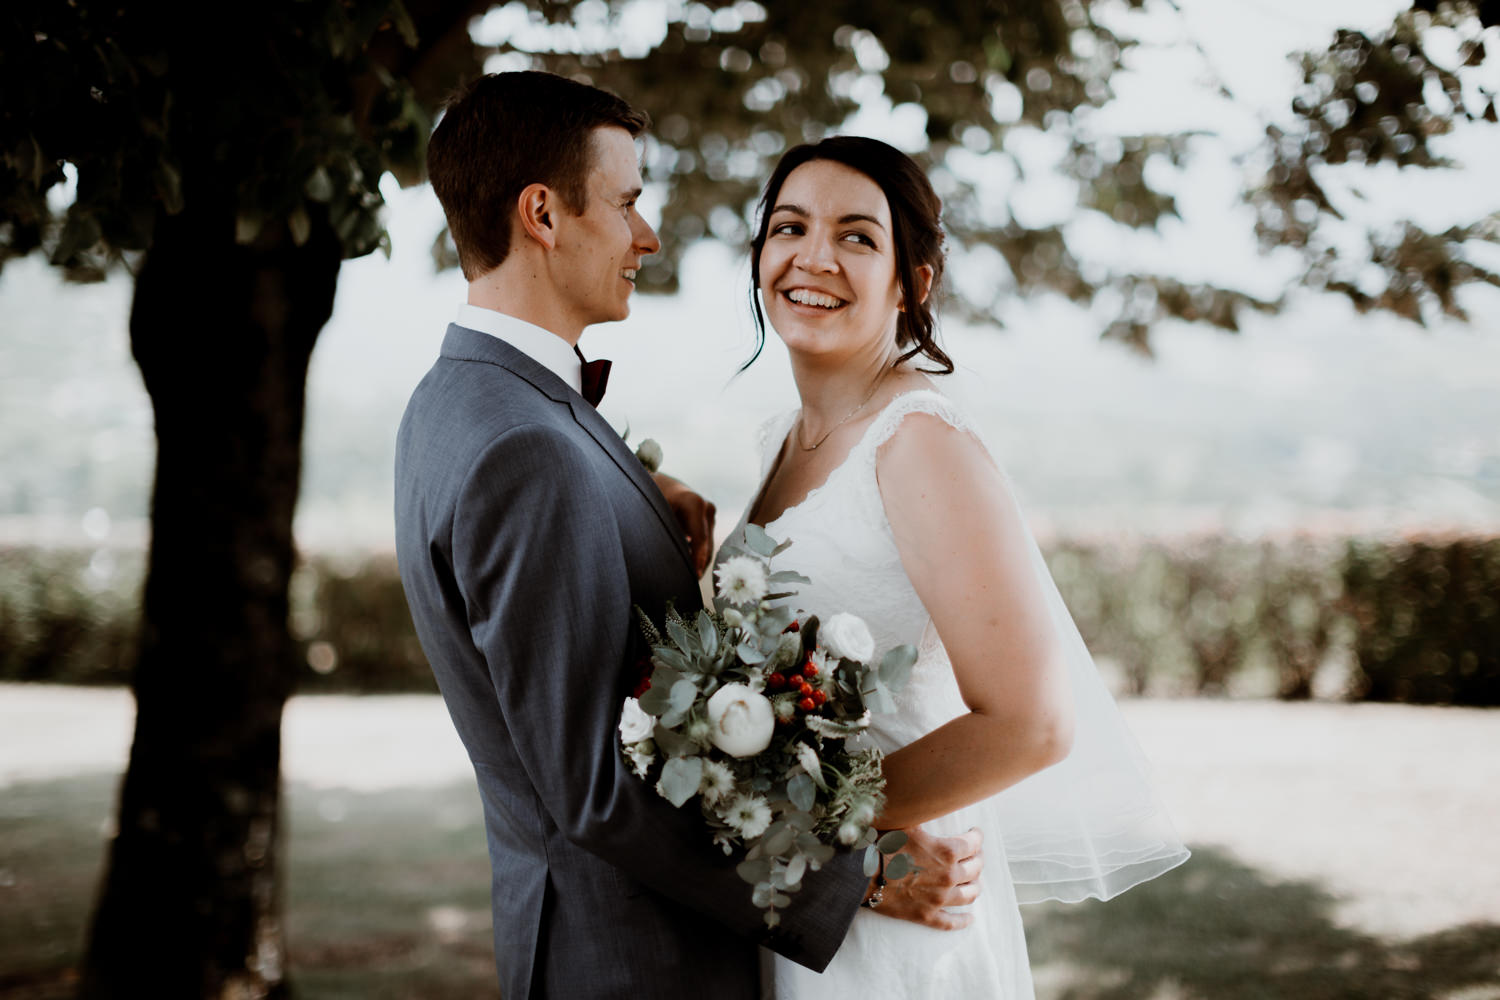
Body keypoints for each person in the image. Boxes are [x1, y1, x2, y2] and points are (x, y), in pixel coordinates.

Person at [393, 73, 981, 1000]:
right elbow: (592, 787)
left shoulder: (463, 400)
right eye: (627, 202)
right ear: (543, 214)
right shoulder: (526, 445)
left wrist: (634, 488)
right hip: (632, 962)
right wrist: (855, 871)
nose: (647, 235)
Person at [726, 136, 1191, 998]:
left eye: (858, 237)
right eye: (789, 227)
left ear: (914, 282)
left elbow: (1030, 722)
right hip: (804, 905)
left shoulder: (918, 442)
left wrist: (812, 826)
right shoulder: (778, 442)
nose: (814, 255)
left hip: (894, 918)